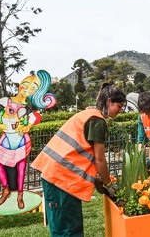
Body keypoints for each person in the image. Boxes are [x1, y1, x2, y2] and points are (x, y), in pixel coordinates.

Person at [31, 83, 126, 236]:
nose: (121, 110)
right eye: (119, 106)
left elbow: (78, 154)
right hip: (60, 179)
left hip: (58, 176)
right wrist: (108, 184)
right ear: (109, 101)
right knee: (67, 229)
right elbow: (100, 159)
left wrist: (95, 181)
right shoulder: (97, 120)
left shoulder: (88, 115)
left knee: (67, 225)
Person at [0, 70, 56, 209]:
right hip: (6, 139)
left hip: (20, 141)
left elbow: (34, 118)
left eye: (33, 88)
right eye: (26, 84)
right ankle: (5, 190)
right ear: (19, 85)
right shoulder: (6, 101)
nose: (28, 89)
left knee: (21, 169)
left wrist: (27, 127)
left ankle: (20, 195)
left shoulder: (26, 108)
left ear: (34, 93)